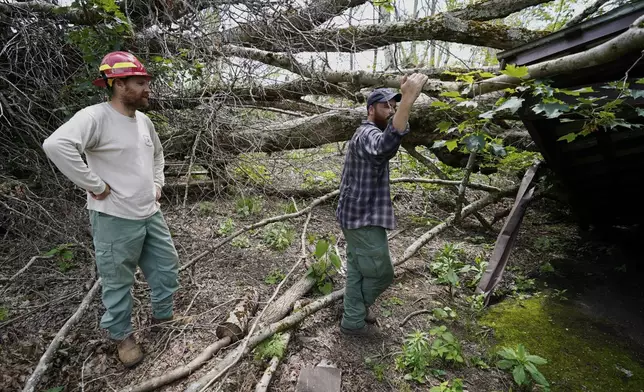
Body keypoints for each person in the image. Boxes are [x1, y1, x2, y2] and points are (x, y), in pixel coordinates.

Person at [42, 51, 180, 367]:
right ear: (118, 84)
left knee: (166, 268)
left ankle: (164, 319)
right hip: (114, 218)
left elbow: (157, 155)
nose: (148, 88)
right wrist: (95, 184)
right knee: (118, 283)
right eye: (140, 82)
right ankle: (122, 337)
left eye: (147, 82)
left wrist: (158, 183)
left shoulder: (143, 121)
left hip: (150, 213)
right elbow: (56, 145)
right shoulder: (95, 117)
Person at [336, 73, 428, 336]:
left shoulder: (368, 132)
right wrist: (409, 98)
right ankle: (354, 312)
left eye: (392, 105)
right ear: (370, 109)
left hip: (355, 216)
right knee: (382, 273)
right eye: (385, 105)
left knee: (356, 270)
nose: (390, 109)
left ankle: (352, 320)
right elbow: (386, 145)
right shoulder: (366, 134)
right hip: (362, 219)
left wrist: (402, 102)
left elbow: (392, 133)